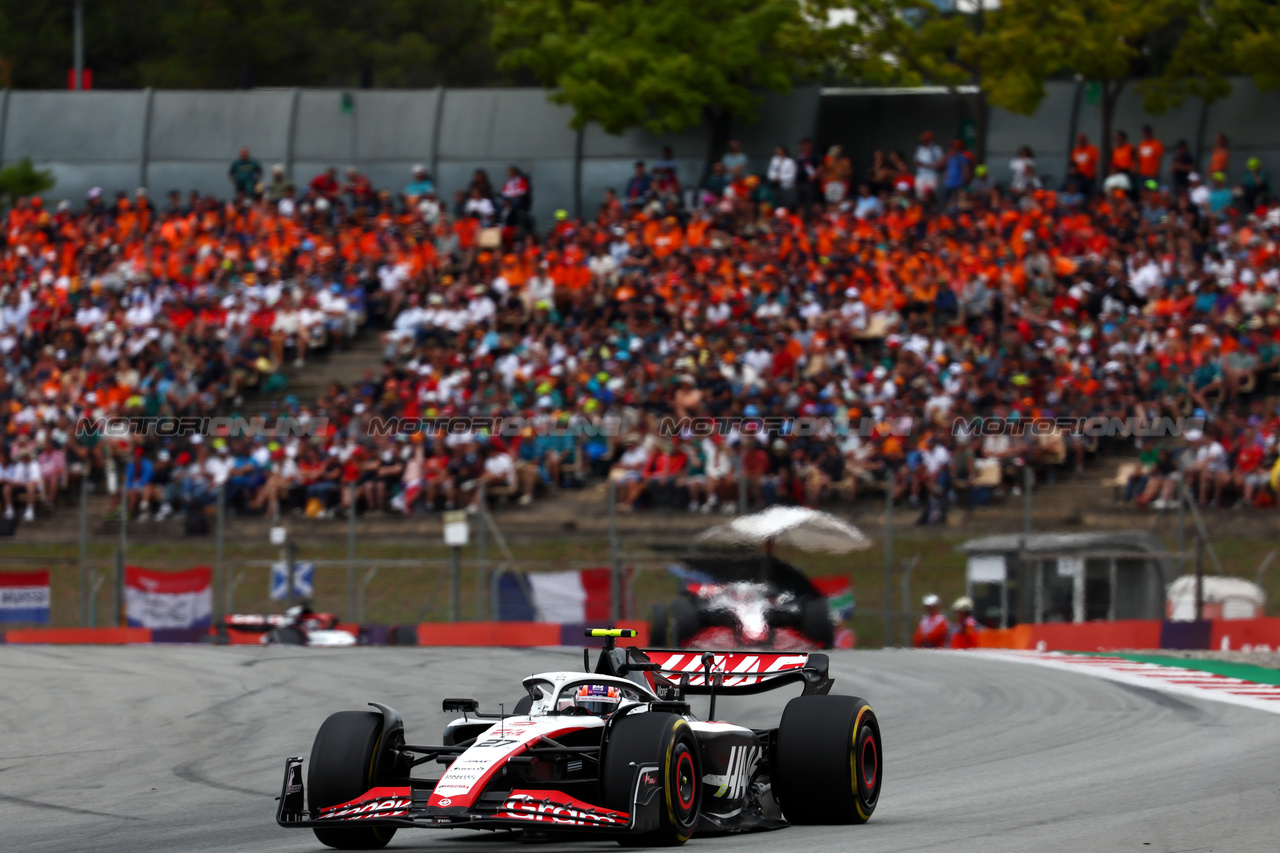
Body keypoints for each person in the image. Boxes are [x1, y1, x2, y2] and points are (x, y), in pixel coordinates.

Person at [914, 130, 944, 200]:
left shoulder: (936, 149)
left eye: (925, 138)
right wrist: (918, 163)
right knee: (920, 197)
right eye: (922, 138)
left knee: (930, 196)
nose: (923, 140)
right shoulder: (919, 149)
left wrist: (924, 165)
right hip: (920, 176)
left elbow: (940, 164)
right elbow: (916, 162)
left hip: (932, 176)